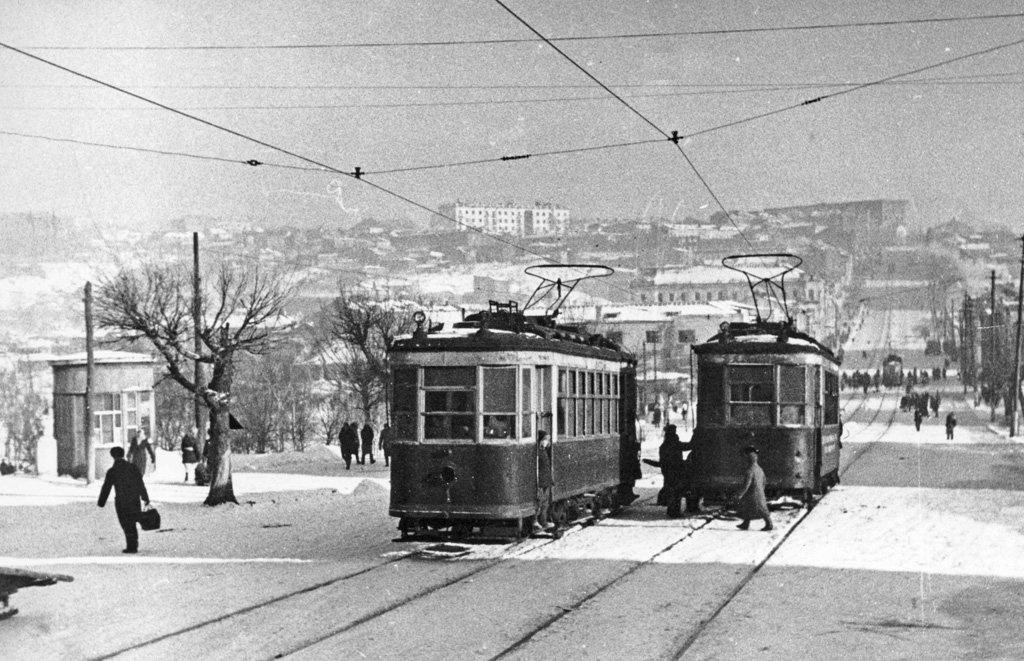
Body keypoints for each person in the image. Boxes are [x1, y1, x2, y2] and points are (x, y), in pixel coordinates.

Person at [97, 446, 150, 554]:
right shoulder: (133, 467)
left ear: (113, 456)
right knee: (132, 522)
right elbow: (140, 483)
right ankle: (133, 545)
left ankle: (131, 546)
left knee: (125, 523)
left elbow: (106, 487)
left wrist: (101, 502)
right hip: (134, 499)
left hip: (121, 501)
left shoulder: (112, 471)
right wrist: (145, 497)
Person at [734, 446, 773, 532]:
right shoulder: (759, 469)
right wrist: (761, 489)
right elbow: (764, 481)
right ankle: (746, 523)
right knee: (749, 508)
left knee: (760, 509)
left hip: (752, 493)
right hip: (758, 492)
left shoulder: (749, 470)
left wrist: (740, 494)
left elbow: (746, 484)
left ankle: (769, 524)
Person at [659, 424, 690, 518]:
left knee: (671, 491)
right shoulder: (674, 442)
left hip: (667, 471)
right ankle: (674, 511)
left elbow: (662, 461)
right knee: (676, 492)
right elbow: (686, 446)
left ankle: (671, 510)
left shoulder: (664, 445)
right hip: (676, 470)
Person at [532, 431, 555, 534]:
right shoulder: (537, 452)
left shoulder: (543, 450)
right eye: (545, 439)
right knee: (539, 502)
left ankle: (543, 521)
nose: (546, 442)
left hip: (546, 481)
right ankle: (535, 521)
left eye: (548, 440)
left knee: (545, 503)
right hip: (540, 481)